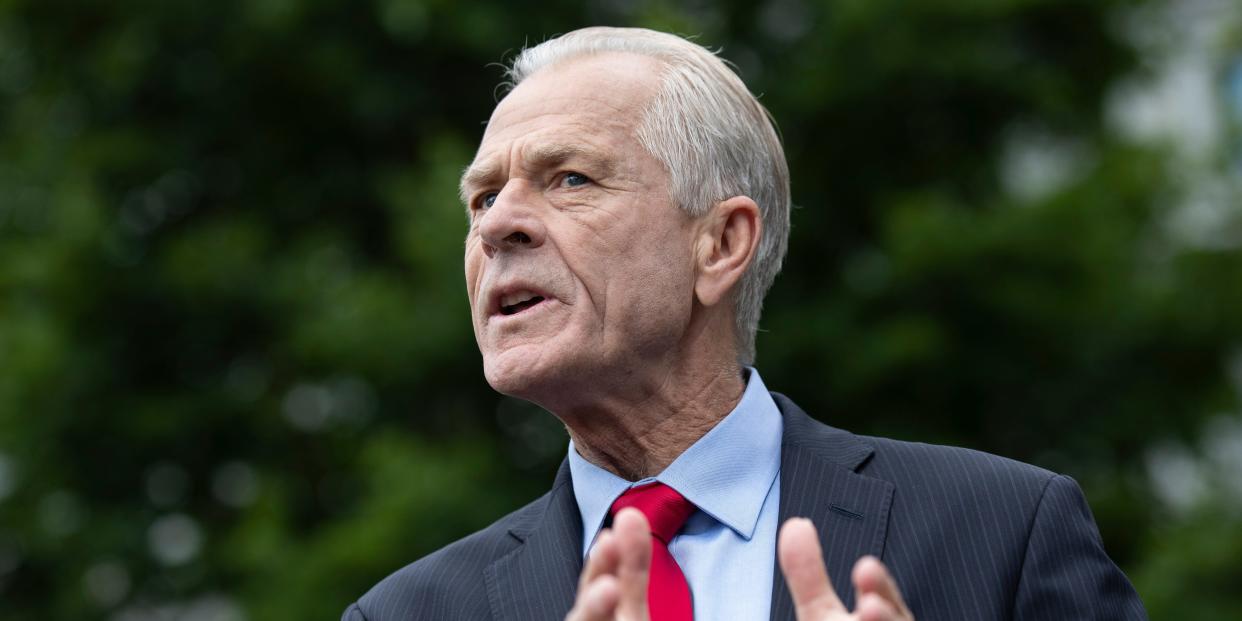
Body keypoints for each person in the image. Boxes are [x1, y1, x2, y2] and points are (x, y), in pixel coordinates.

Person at [342, 27, 1146, 621]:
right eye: (482, 198)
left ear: (721, 243)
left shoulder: (1005, 531)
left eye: (570, 178)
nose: (496, 226)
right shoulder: (407, 612)